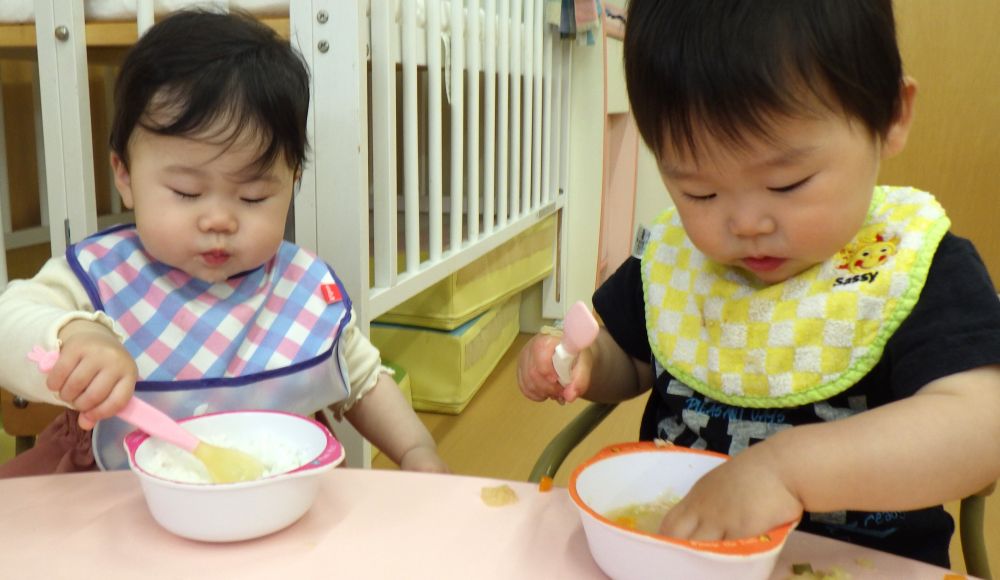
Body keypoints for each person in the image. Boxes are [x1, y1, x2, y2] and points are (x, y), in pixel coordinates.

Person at [517, 0, 1000, 567]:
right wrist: (585, 364)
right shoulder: (677, 264)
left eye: (787, 183)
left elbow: (981, 425)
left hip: (855, 563)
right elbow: (632, 359)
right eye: (700, 192)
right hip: (682, 555)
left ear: (891, 115)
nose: (746, 224)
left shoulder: (915, 270)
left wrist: (789, 471)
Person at [0, 9, 446, 476]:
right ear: (125, 176)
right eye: (187, 193)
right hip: (114, 498)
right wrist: (76, 336)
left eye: (253, 196)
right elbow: (11, 321)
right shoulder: (103, 276)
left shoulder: (298, 286)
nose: (218, 219)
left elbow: (362, 379)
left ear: (292, 182)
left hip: (270, 496)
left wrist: (417, 450)